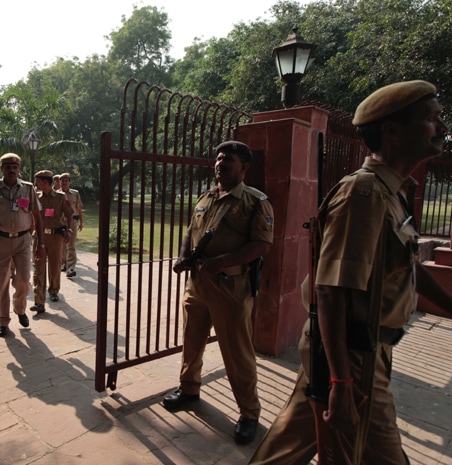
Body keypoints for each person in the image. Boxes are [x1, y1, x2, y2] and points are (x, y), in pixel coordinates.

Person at [249, 80, 452, 464]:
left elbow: (405, 262)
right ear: (392, 131)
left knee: (295, 437)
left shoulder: (393, 192)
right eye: (431, 119)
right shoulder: (364, 194)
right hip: (353, 354)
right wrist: (341, 380)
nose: (441, 128)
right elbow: (330, 290)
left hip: (366, 349)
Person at [162, 141, 274, 446]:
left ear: (244, 168)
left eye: (229, 159)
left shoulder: (255, 201)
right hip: (198, 284)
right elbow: (190, 232)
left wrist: (221, 262)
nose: (220, 163)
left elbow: (261, 246)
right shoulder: (206, 198)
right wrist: (183, 256)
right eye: (219, 158)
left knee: (237, 353)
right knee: (192, 341)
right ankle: (189, 389)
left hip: (231, 289)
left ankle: (249, 413)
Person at [0, 153, 45, 337]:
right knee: (2, 283)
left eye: (15, 167)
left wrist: (41, 244)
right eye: (8, 167)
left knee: (23, 279)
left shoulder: (28, 189)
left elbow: (37, 217)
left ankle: (20, 308)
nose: (12, 170)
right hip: (0, 241)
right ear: (2, 169)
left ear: (19, 169)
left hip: (23, 240)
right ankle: (2, 321)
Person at [29, 170, 74, 314]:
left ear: (45, 182)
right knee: (38, 269)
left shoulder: (61, 197)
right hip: (39, 237)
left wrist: (68, 230)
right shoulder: (36, 197)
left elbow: (69, 214)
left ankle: (53, 290)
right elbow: (31, 214)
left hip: (55, 237)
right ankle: (39, 301)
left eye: (38, 181)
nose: (36, 184)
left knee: (55, 267)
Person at [58, 173, 83, 277]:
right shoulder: (56, 194)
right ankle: (64, 263)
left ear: (69, 182)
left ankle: (71, 268)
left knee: (71, 245)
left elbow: (79, 208)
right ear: (59, 183)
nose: (64, 183)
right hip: (60, 222)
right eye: (62, 181)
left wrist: (81, 222)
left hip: (72, 221)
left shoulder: (75, 193)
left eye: (66, 181)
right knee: (62, 245)